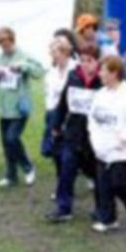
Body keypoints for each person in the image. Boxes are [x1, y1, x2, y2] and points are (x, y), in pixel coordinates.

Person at [88, 55, 126, 232]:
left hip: (124, 150)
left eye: (103, 70)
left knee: (119, 184)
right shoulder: (99, 95)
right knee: (103, 185)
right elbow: (92, 118)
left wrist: (124, 138)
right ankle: (108, 219)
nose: (100, 74)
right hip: (101, 147)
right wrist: (94, 138)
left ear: (114, 73)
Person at [46, 43, 102, 223]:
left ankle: (102, 208)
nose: (86, 64)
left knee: (96, 173)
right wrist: (56, 124)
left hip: (95, 136)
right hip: (73, 132)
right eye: (83, 60)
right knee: (66, 169)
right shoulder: (73, 76)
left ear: (97, 61)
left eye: (90, 61)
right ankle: (64, 208)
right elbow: (63, 102)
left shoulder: (102, 80)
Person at [0, 27, 43, 187]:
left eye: (5, 41)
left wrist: (23, 67)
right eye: (0, 42)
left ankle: (28, 166)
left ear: (12, 39)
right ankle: (11, 176)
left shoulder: (23, 55)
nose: (3, 45)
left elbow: (39, 71)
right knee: (6, 143)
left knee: (12, 138)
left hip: (19, 107)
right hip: (4, 107)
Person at [42, 38, 77, 188]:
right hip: (54, 114)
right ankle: (61, 185)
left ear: (65, 51)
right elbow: (48, 93)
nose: (53, 55)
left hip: (72, 116)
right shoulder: (51, 72)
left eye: (55, 51)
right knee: (56, 152)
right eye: (52, 52)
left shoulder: (75, 69)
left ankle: (86, 175)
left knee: (70, 153)